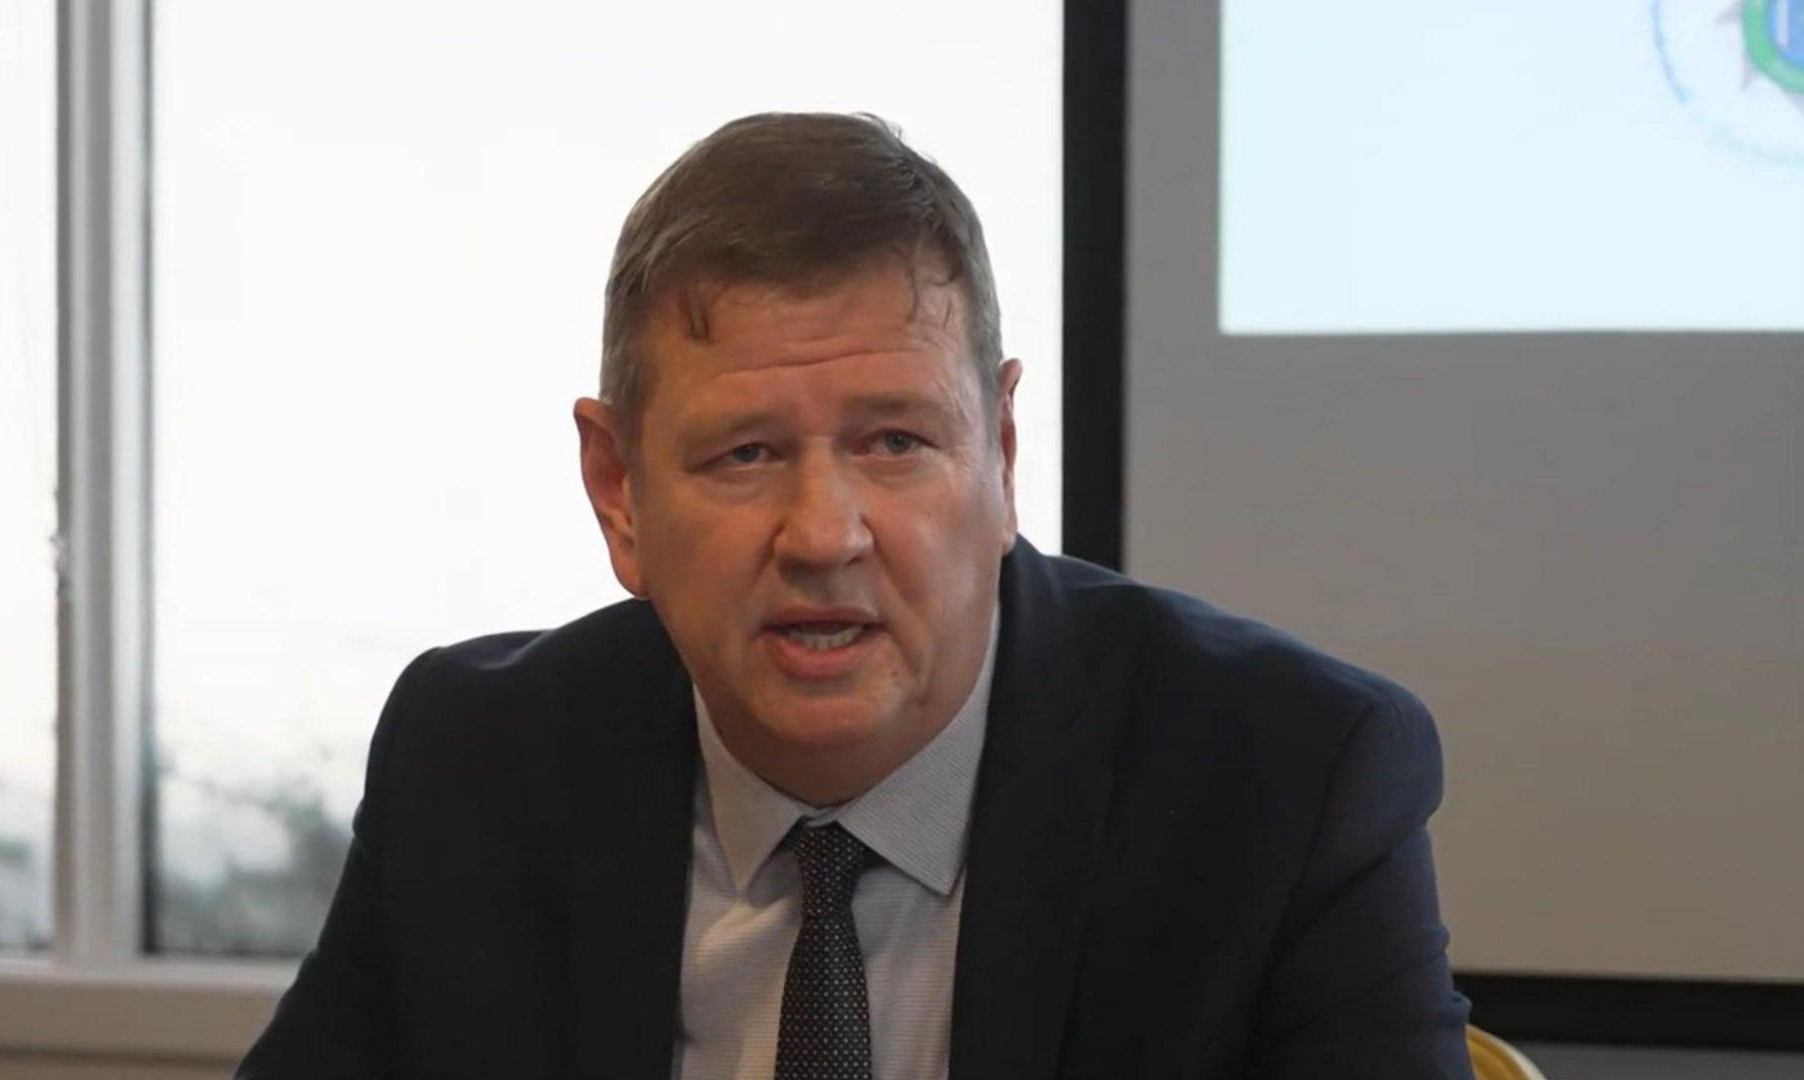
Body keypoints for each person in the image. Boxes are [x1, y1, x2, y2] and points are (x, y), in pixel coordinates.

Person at [238, 112, 1474, 1078]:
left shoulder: (1284, 778)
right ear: (617, 491)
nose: (824, 535)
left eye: (893, 443)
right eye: (745, 454)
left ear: (998, 453)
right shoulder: (479, 760)